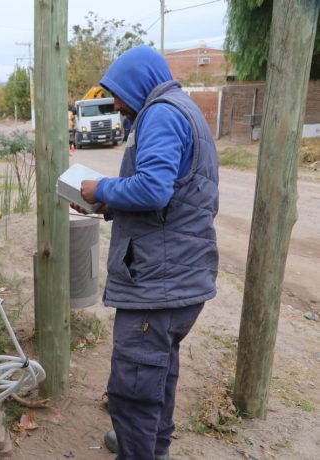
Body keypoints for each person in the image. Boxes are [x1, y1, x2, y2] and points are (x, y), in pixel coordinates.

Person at [72, 45, 219, 460]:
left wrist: (99, 188)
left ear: (139, 83)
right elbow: (174, 194)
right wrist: (107, 205)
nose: (116, 103)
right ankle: (153, 448)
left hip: (159, 285)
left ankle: (140, 449)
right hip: (179, 279)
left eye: (118, 92)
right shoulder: (183, 110)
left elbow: (154, 189)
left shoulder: (161, 114)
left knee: (134, 387)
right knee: (159, 374)